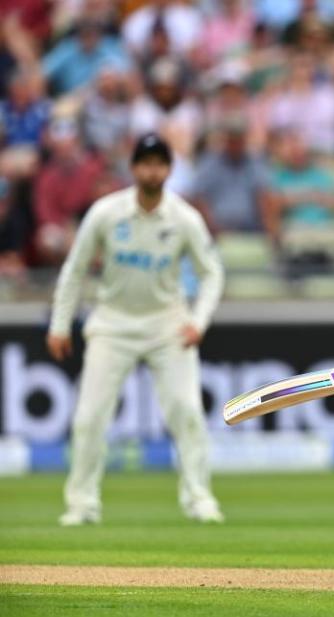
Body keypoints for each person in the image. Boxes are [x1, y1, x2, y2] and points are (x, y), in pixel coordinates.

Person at [47, 133, 225, 526]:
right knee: (89, 417)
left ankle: (199, 498)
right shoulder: (106, 213)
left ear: (169, 168)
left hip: (168, 325)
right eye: (145, 162)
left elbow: (212, 273)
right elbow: (74, 271)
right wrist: (60, 324)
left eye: (159, 163)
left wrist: (197, 322)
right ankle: (81, 505)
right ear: (133, 168)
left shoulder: (183, 218)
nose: (152, 170)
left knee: (187, 412)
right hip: (112, 323)